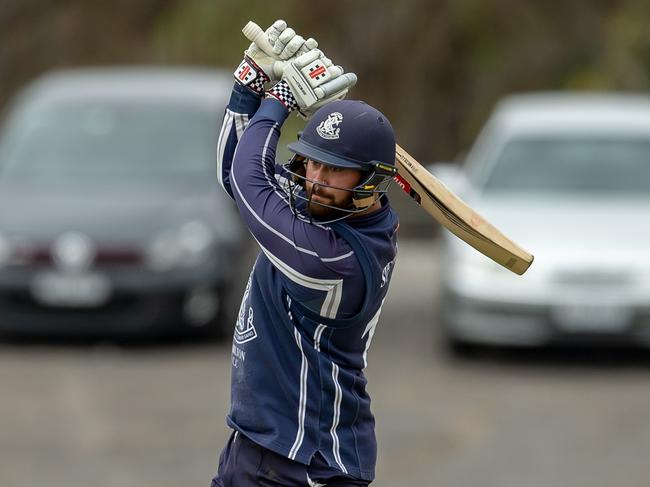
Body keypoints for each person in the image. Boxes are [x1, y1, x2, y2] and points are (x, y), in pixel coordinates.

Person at [211, 20, 399, 487]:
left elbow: (251, 184)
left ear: (372, 181)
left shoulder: (338, 263)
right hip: (256, 442)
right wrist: (252, 77)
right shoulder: (323, 206)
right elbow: (236, 172)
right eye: (312, 158)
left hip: (312, 463)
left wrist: (279, 102)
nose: (315, 175)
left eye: (334, 169)